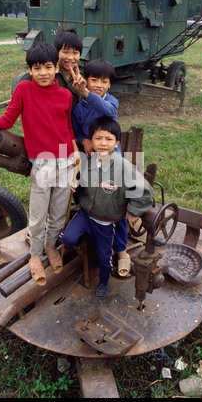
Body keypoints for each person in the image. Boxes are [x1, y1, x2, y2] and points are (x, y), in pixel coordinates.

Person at [0, 42, 79, 286]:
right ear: (30, 71)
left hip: (66, 161)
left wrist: (76, 163)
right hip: (42, 165)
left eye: (47, 66)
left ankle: (50, 246)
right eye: (37, 68)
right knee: (38, 215)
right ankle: (35, 254)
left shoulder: (66, 95)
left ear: (56, 67)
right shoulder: (24, 90)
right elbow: (6, 120)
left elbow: (67, 129)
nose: (43, 72)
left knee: (57, 215)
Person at [59, 116, 154, 298]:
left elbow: (144, 191)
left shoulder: (123, 167)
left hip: (105, 221)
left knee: (104, 258)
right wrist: (76, 185)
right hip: (86, 213)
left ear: (116, 143)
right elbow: (81, 184)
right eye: (98, 138)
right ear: (91, 141)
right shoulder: (87, 162)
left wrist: (133, 213)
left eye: (109, 139)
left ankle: (103, 281)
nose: (103, 143)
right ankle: (76, 240)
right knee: (69, 240)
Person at [70, 59, 129, 276]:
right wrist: (83, 140)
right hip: (88, 159)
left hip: (111, 161)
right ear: (87, 78)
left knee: (115, 202)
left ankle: (122, 251)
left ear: (110, 85)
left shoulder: (112, 102)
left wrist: (85, 92)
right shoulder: (78, 109)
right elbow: (75, 131)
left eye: (104, 81)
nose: (99, 85)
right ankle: (87, 227)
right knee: (86, 194)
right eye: (94, 80)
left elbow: (104, 108)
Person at [53, 28, 83, 110]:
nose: (70, 58)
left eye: (75, 53)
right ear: (57, 52)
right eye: (65, 52)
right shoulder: (50, 75)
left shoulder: (82, 78)